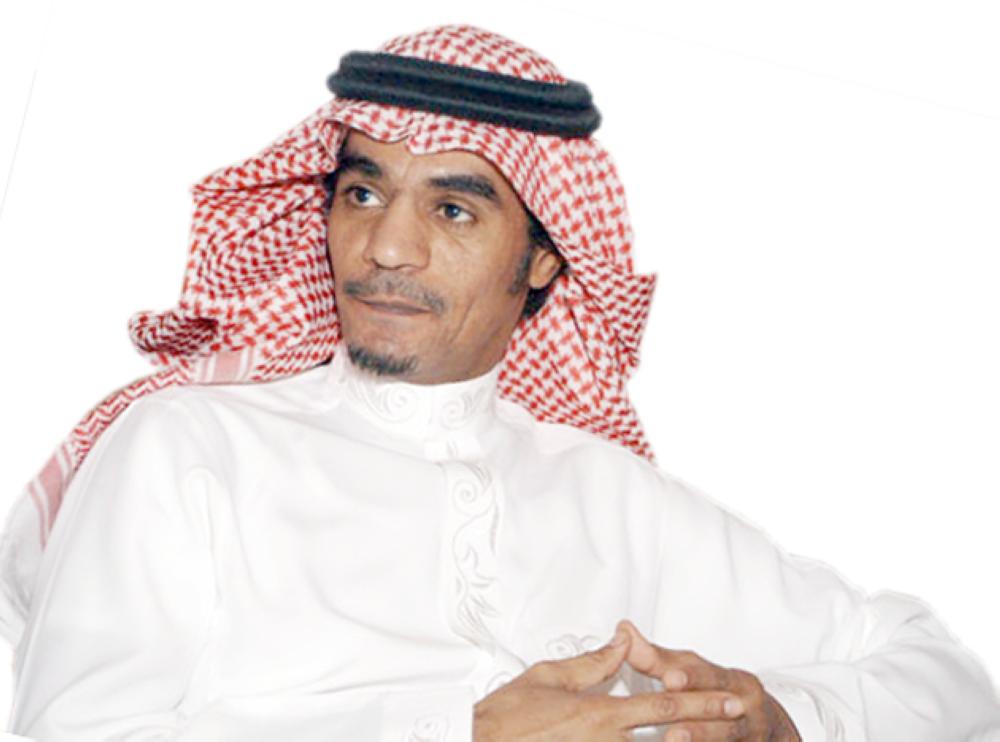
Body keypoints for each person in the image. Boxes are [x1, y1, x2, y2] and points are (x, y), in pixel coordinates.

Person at [1, 24, 998, 742]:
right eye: (362, 192)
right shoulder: (188, 447)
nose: (386, 247)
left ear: (546, 259)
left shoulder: (614, 498)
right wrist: (458, 732)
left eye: (454, 211)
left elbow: (947, 681)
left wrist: (777, 719)